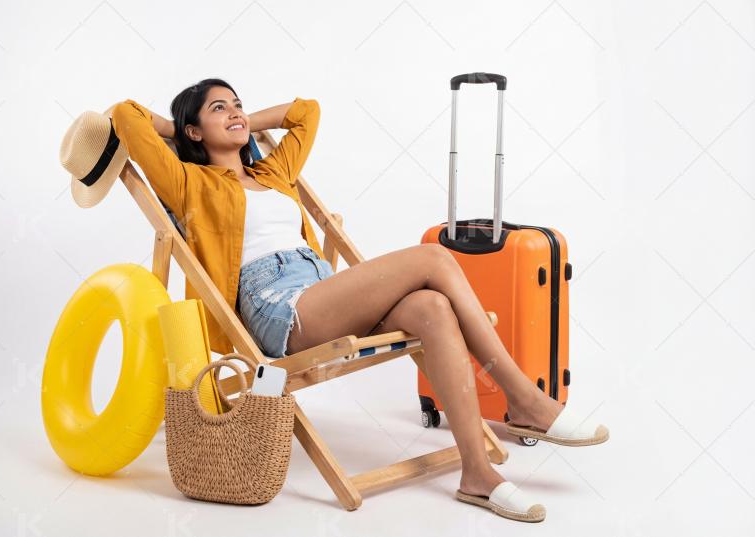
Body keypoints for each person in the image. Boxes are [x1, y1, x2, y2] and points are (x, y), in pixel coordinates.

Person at [110, 78, 609, 523]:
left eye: (238, 103)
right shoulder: (188, 184)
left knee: (433, 308)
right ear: (192, 132)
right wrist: (178, 128)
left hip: (322, 288)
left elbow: (307, 111)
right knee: (433, 261)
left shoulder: (273, 173)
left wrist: (239, 121)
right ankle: (523, 399)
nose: (236, 111)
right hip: (279, 310)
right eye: (219, 108)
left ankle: (477, 475)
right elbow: (124, 114)